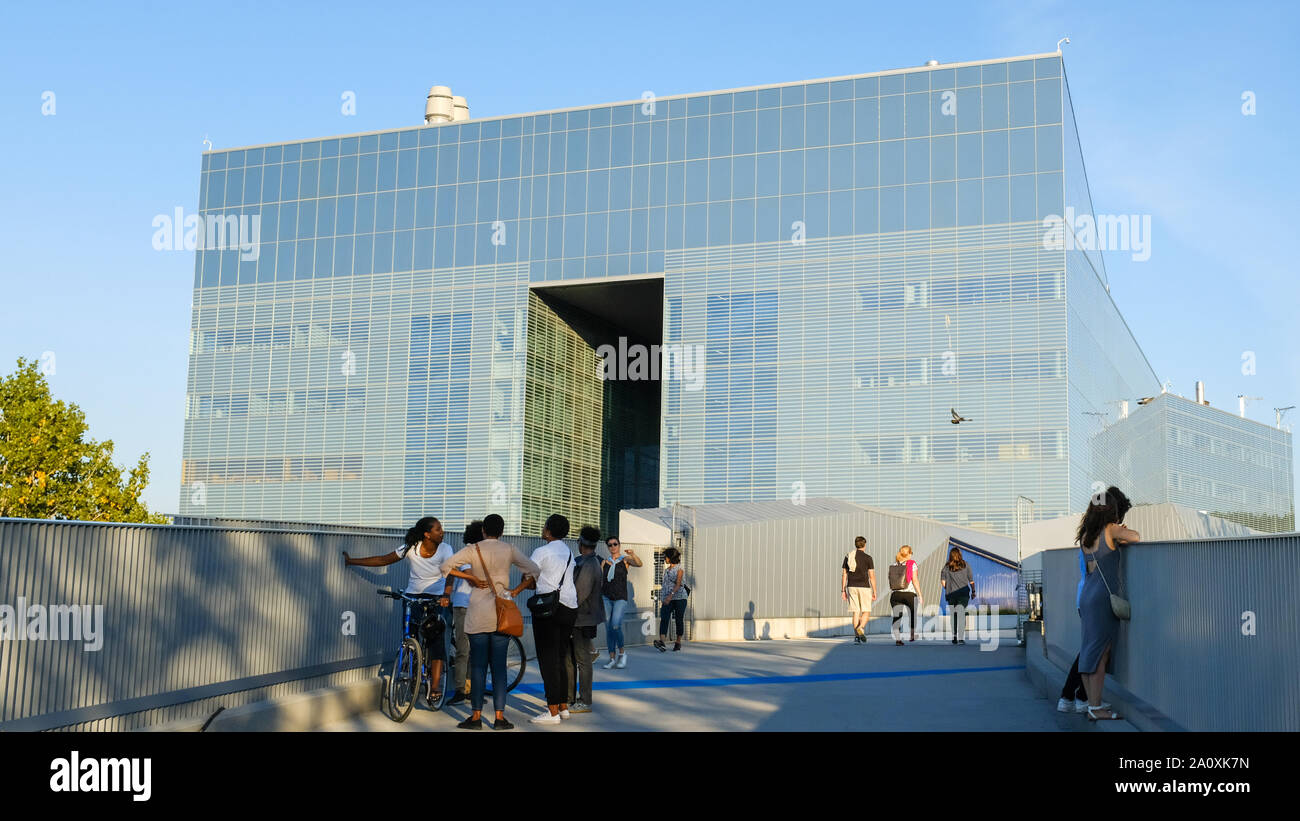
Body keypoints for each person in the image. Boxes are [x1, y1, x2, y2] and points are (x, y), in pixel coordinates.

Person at [440, 513, 540, 730]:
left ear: (483, 530)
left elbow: (445, 567)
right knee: (499, 667)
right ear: (502, 531)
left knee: (477, 666)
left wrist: (472, 578)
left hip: (477, 612)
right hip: (501, 612)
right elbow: (535, 571)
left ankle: (475, 718)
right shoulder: (509, 549)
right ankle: (499, 718)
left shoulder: (472, 549)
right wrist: (515, 591)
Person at [344, 516, 453, 706]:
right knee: (409, 637)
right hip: (413, 598)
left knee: (436, 643)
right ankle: (413, 671)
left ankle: (434, 686)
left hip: (437, 600)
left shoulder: (446, 549)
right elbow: (383, 559)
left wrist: (446, 595)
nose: (442, 531)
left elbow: (452, 573)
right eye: (438, 529)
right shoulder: (411, 547)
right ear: (427, 534)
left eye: (441, 528)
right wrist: (352, 561)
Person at [1076, 486, 1139, 721]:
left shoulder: (1086, 535)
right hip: (1103, 597)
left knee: (1089, 650)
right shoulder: (1111, 530)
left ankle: (1092, 703)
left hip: (1087, 595)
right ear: (1111, 510)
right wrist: (1120, 531)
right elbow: (1136, 537)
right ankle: (1096, 706)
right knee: (1101, 653)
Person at [527, 513, 579, 725]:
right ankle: (564, 707)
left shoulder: (542, 551)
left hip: (549, 609)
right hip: (569, 607)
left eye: (544, 525)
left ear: (548, 530)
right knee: (561, 656)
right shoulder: (568, 552)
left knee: (547, 659)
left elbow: (529, 577)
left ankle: (552, 712)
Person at [565, 526, 605, 713]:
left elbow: (579, 593)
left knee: (582, 660)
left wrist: (564, 610)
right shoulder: (586, 561)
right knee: (572, 658)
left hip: (582, 617)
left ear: (581, 543)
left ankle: (585, 700)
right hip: (582, 617)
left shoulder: (589, 565)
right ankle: (569, 697)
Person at [445, 521, 481, 706]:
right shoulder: (467, 551)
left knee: (476, 651)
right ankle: (460, 690)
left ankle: (471, 690)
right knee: (463, 650)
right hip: (464, 604)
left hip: (479, 605)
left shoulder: (484, 552)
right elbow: (472, 575)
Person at [600, 536, 642, 668]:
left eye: (615, 544)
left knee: (615, 625)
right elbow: (601, 581)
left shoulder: (625, 560)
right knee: (608, 628)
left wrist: (633, 554)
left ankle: (622, 653)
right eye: (610, 545)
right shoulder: (604, 562)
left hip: (620, 598)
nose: (613, 547)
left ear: (619, 545)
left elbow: (639, 564)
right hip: (606, 597)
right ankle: (611, 658)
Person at [841, 536, 877, 644]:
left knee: (856, 612)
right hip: (864, 587)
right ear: (864, 545)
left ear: (855, 544)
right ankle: (861, 627)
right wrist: (874, 590)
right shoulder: (868, 558)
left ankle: (856, 638)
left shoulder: (848, 556)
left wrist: (843, 590)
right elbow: (872, 576)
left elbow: (844, 574)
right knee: (866, 611)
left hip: (851, 586)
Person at [939, 546, 975, 645]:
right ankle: (960, 638)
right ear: (960, 555)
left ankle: (954, 636)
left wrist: (949, 589)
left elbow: (943, 582)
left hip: (951, 595)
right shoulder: (966, 565)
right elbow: (971, 581)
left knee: (953, 615)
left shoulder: (946, 567)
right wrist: (973, 591)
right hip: (963, 594)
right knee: (961, 613)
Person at [654, 547, 688, 652]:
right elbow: (665, 585)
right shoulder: (666, 570)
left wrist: (670, 596)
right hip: (666, 599)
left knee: (678, 619)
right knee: (664, 618)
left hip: (679, 598)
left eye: (666, 557)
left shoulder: (680, 569)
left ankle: (678, 642)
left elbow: (678, 584)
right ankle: (662, 642)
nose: (665, 558)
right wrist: (663, 597)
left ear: (670, 557)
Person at [888, 545, 922, 646]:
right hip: (909, 594)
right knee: (912, 614)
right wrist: (920, 594)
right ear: (910, 553)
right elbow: (915, 580)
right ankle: (912, 635)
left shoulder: (894, 564)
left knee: (897, 616)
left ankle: (898, 639)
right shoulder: (912, 564)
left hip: (895, 594)